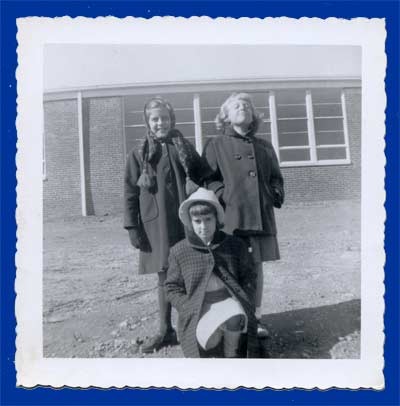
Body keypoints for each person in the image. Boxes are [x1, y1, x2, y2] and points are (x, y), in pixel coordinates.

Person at [123, 97, 206, 353]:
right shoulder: (139, 155)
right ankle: (165, 329)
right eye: (155, 119)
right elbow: (129, 192)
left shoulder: (184, 148)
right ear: (148, 122)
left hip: (184, 222)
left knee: (190, 271)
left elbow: (205, 175)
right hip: (156, 226)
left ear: (172, 119)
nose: (161, 123)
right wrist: (132, 227)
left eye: (165, 118)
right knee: (164, 275)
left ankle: (193, 326)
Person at [202, 92, 284, 337]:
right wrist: (225, 197)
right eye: (237, 105)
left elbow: (276, 178)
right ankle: (233, 319)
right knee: (231, 268)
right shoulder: (215, 144)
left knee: (256, 269)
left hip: (260, 217)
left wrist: (272, 193)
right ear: (225, 116)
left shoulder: (264, 146)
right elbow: (208, 179)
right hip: (232, 219)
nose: (243, 107)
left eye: (247, 105)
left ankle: (255, 319)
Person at [165, 187, 258, 358]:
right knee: (210, 341)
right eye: (197, 221)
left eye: (208, 219)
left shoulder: (234, 245)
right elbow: (171, 287)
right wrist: (187, 306)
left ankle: (232, 355)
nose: (203, 226)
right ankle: (216, 344)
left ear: (217, 219)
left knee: (235, 318)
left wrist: (246, 297)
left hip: (227, 300)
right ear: (190, 222)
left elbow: (249, 276)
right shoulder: (180, 251)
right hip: (199, 306)